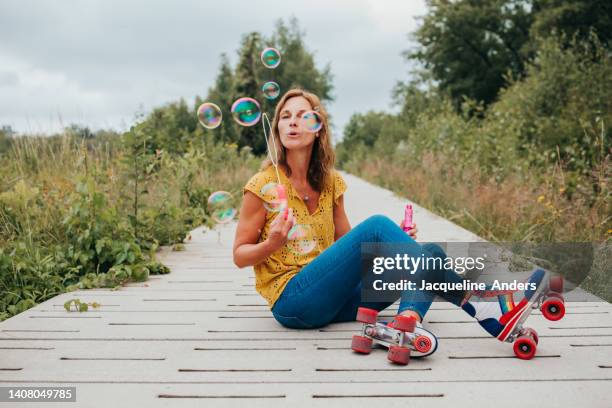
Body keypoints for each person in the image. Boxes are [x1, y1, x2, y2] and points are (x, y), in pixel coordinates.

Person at [232, 88, 546, 357]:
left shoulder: (331, 184)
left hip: (335, 298)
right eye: (285, 116)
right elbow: (239, 255)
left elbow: (350, 247)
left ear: (318, 128)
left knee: (431, 253)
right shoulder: (262, 185)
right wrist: (273, 242)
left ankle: (408, 322)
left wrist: (395, 242)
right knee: (386, 231)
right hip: (294, 301)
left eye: (302, 115)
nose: (292, 121)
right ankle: (485, 303)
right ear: (277, 129)